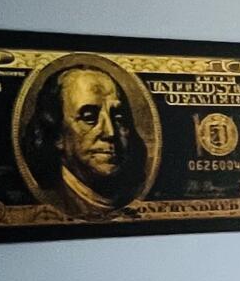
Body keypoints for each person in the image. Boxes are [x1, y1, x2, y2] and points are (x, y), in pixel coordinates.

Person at [23, 61, 149, 216]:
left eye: (119, 117)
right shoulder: (55, 199)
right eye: (89, 118)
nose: (110, 132)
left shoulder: (129, 196)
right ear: (57, 134)